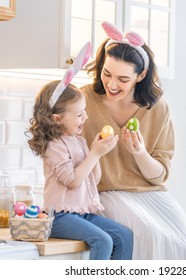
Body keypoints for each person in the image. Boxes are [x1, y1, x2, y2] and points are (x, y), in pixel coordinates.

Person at [80, 22, 186, 259]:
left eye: (123, 79)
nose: (112, 85)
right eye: (107, 73)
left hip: (152, 194)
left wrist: (140, 153)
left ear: (141, 75)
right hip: (105, 194)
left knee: (183, 243)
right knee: (147, 235)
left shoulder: (157, 109)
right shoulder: (83, 100)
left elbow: (160, 174)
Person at [26, 42, 133, 260]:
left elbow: (95, 178)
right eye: (79, 115)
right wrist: (94, 153)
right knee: (102, 240)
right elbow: (72, 181)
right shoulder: (54, 145)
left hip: (83, 213)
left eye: (84, 113)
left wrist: (98, 153)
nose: (85, 118)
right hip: (60, 217)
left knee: (124, 235)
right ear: (57, 118)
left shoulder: (79, 141)